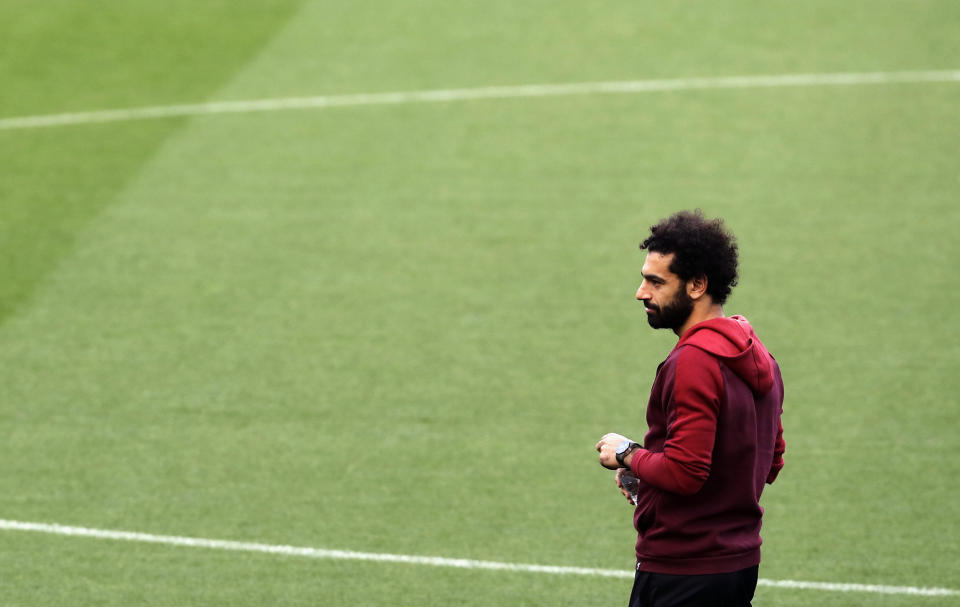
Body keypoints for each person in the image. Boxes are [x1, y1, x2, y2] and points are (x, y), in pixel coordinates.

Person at [595, 210, 785, 607]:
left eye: (655, 281)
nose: (641, 292)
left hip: (683, 572)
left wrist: (628, 454)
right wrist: (648, 477)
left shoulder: (694, 362)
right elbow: (769, 460)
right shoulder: (757, 354)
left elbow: (686, 473)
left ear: (698, 284)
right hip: (737, 565)